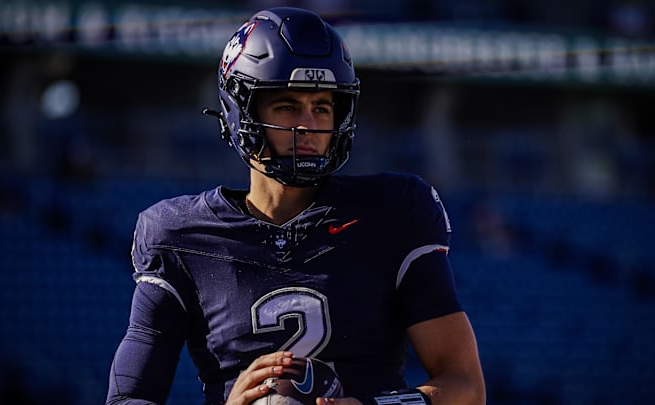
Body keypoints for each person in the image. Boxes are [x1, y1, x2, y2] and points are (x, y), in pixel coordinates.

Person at [106, 7, 485, 405]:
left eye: (322, 107)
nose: (308, 126)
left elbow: (466, 387)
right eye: (287, 106)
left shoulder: (393, 212)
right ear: (241, 112)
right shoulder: (178, 236)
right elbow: (128, 399)